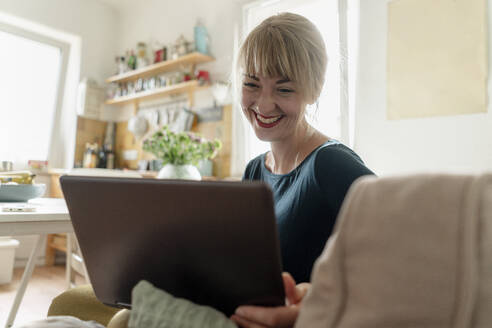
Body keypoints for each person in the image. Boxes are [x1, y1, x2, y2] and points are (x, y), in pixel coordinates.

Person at [232, 12, 374, 328]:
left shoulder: (331, 164)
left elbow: (398, 254)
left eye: (284, 90)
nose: (264, 105)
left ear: (314, 89)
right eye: (252, 84)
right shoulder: (254, 172)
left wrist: (317, 300)